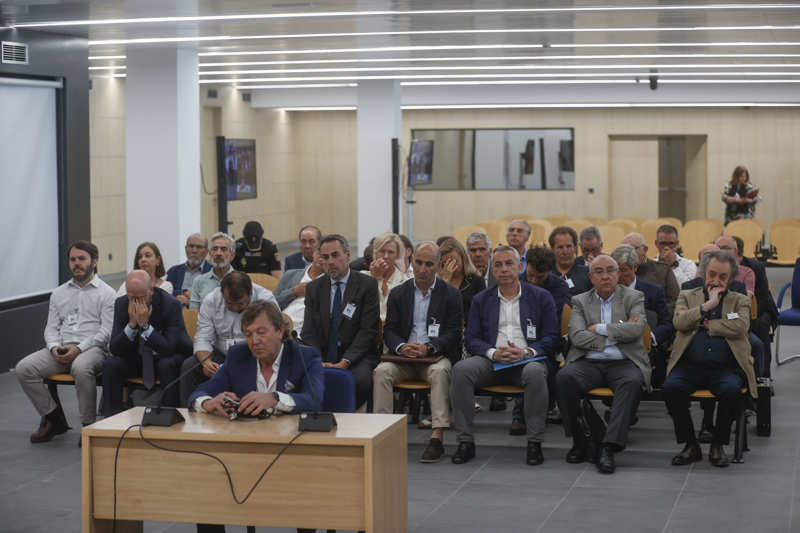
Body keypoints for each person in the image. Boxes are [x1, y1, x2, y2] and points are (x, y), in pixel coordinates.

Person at [188, 300, 324, 533]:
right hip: (244, 452)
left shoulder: (305, 356)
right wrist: (209, 402)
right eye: (248, 334)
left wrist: (275, 398)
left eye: (261, 332)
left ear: (280, 331)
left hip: (293, 454)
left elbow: (314, 400)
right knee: (206, 487)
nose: (255, 341)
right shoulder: (238, 356)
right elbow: (198, 394)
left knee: (305, 495)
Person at [451, 246, 559, 466]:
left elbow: (552, 337)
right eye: (497, 265)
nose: (503, 269)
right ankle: (465, 441)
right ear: (492, 270)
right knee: (461, 370)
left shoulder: (541, 297)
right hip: (491, 360)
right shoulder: (482, 299)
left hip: (527, 360)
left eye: (509, 263)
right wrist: (493, 353)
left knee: (536, 373)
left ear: (520, 267)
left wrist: (526, 352)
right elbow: (471, 338)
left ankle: (534, 442)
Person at [663, 250, 757, 467]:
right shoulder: (688, 294)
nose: (716, 281)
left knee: (732, 391)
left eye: (722, 277)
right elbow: (679, 322)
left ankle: (718, 444)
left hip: (725, 367)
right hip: (689, 366)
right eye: (712, 274)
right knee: (670, 389)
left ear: (730, 278)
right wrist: (707, 307)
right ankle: (690, 444)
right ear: (704, 272)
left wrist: (706, 324)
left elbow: (740, 326)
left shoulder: (739, 300)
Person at [15, 241, 115, 444]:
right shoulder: (59, 293)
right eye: (72, 259)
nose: (76, 263)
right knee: (24, 368)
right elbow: (51, 327)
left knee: (80, 367)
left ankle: (88, 427)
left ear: (94, 262)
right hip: (60, 348)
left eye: (82, 259)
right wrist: (53, 347)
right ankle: (53, 418)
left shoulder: (107, 293)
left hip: (93, 349)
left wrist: (78, 348)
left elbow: (106, 332)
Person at [556, 254, 649, 474]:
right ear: (590, 277)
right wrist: (618, 333)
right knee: (564, 378)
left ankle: (608, 447)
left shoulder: (634, 297)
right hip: (589, 362)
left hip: (624, 361)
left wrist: (599, 328)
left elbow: (637, 329)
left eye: (610, 270)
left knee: (632, 382)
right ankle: (581, 441)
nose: (605, 276)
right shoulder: (579, 300)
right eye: (599, 272)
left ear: (618, 274)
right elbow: (577, 337)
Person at [373, 242, 463, 463]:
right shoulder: (398, 293)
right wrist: (402, 346)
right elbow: (390, 330)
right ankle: (382, 434)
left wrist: (429, 347)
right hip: (403, 358)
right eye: (419, 263)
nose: (423, 269)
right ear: (412, 262)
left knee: (440, 373)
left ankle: (437, 437)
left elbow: (453, 333)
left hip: (433, 357)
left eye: (429, 264)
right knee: (381, 372)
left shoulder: (450, 294)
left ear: (438, 265)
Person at [300, 234, 380, 409]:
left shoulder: (367, 285)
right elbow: (308, 332)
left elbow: (368, 331)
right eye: (325, 257)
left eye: (335, 255)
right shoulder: (314, 288)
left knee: (360, 381)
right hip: (322, 355)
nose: (330, 262)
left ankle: (347, 424)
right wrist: (318, 361)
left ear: (348, 256)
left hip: (356, 357)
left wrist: (344, 362)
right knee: (302, 378)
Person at [178, 271, 278, 407]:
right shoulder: (211, 299)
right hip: (221, 355)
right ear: (222, 293)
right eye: (230, 303)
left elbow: (274, 339)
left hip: (253, 355)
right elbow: (203, 337)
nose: (235, 308)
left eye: (241, 304)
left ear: (250, 293)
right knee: (189, 366)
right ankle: (190, 411)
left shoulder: (266, 300)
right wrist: (206, 362)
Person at [102, 270, 187, 416]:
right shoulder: (121, 303)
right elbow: (115, 348)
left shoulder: (170, 304)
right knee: (111, 364)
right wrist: (132, 325)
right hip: (137, 359)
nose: (135, 302)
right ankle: (111, 418)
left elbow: (168, 348)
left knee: (166, 364)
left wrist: (146, 326)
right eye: (131, 296)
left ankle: (168, 417)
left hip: (166, 357)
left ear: (151, 290)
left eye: (140, 297)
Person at [508, 245, 571, 435]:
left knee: (535, 363)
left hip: (548, 338)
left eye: (540, 278)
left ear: (550, 272)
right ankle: (520, 414)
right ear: (525, 266)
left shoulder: (559, 287)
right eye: (531, 275)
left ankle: (524, 413)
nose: (533, 281)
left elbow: (552, 321)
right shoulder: (515, 282)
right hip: (519, 336)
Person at [611, 244, 674, 387]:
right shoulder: (607, 291)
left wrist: (650, 336)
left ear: (635, 268)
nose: (618, 275)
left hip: (645, 350)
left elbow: (667, 325)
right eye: (615, 270)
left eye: (623, 270)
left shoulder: (653, 292)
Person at [621, 232, 679, 315]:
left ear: (645, 249)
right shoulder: (618, 273)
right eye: (623, 250)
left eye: (631, 249)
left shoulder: (663, 270)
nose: (627, 254)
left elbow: (674, 300)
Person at [363, 232, 413, 321]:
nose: (386, 256)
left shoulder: (406, 282)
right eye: (382, 251)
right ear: (375, 252)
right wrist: (373, 279)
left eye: (390, 252)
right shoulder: (363, 277)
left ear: (397, 255)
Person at [274, 250, 326, 335]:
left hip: (303, 334)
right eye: (320, 254)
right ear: (314, 253)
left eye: (326, 256)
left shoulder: (330, 284)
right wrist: (293, 292)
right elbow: (272, 303)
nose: (321, 259)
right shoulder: (291, 275)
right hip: (278, 325)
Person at [438, 237, 486, 317]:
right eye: (447, 262)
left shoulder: (476, 280)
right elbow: (437, 308)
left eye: (454, 261)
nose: (451, 266)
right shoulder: (437, 282)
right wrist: (445, 281)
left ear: (463, 258)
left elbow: (483, 310)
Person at [190, 232, 236, 309]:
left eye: (223, 249)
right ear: (210, 254)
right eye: (214, 249)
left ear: (232, 255)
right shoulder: (199, 281)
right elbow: (193, 313)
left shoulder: (243, 280)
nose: (218, 253)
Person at [166, 234, 211, 307]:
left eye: (199, 247)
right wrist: (183, 293)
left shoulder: (212, 272)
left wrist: (192, 301)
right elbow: (165, 293)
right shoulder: (173, 271)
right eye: (191, 246)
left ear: (206, 251)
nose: (194, 250)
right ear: (185, 249)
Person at [549, 226, 592, 297]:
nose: (565, 251)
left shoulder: (587, 274)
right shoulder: (545, 274)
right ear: (552, 249)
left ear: (575, 248)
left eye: (568, 246)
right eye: (560, 247)